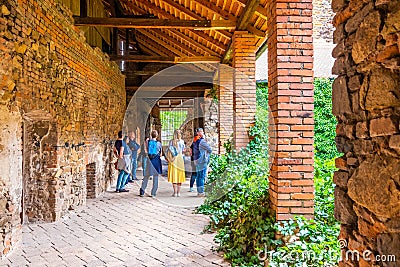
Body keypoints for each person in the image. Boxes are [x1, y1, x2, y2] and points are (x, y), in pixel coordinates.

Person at [140, 130, 163, 197]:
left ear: (151, 135)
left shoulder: (148, 142)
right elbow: (161, 154)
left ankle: (142, 191)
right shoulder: (159, 143)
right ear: (157, 135)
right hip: (156, 160)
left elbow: (146, 150)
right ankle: (153, 192)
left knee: (146, 175)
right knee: (155, 176)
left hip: (150, 160)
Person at [193, 128, 212, 197]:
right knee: (201, 176)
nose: (203, 132)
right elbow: (210, 149)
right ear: (198, 133)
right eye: (201, 131)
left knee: (198, 176)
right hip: (202, 161)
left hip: (197, 160)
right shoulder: (202, 141)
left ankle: (199, 192)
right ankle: (201, 192)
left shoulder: (195, 141)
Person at [167, 130, 186, 197]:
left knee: (174, 175)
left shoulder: (171, 141)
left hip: (173, 159)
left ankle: (175, 192)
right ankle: (178, 192)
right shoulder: (182, 141)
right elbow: (183, 150)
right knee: (179, 175)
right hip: (180, 158)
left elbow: (168, 150)